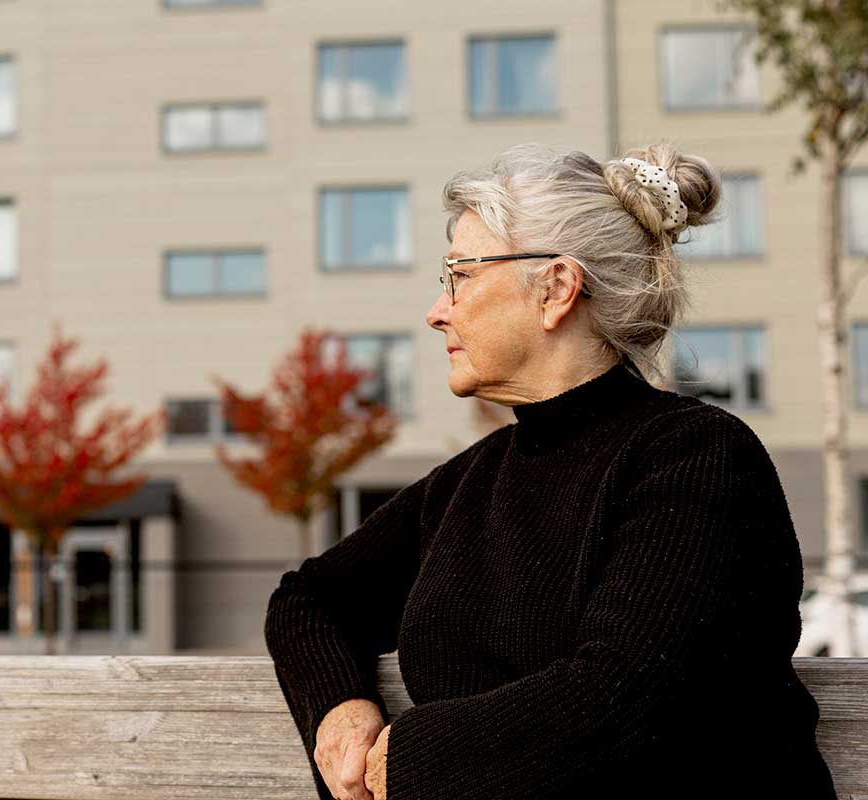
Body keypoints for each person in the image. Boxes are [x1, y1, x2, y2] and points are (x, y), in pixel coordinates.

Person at [263, 142, 839, 800]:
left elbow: (626, 696)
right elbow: (308, 600)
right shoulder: (468, 483)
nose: (437, 311)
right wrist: (342, 711)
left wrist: (412, 761)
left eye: (460, 276)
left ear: (556, 289)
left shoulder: (696, 457)